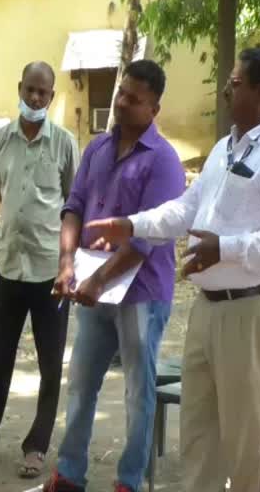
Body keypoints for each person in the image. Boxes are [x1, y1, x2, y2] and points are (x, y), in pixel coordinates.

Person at [84, 48, 260, 492]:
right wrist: (132, 224)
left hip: (253, 310)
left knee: (247, 441)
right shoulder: (226, 148)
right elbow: (185, 210)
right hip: (208, 310)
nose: (227, 88)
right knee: (199, 435)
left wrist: (225, 249)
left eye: (236, 82)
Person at [42, 59, 186, 492]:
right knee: (81, 384)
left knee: (137, 395)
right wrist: (67, 263)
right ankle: (69, 474)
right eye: (121, 93)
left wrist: (97, 281)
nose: (121, 104)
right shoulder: (96, 150)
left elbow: (143, 242)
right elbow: (74, 206)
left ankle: (129, 481)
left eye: (134, 99)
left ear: (154, 109)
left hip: (140, 293)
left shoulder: (163, 162)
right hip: (92, 288)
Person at [0, 61, 78, 479]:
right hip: (9, 266)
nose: (35, 98)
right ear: (19, 88)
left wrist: (67, 262)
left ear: (51, 96)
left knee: (50, 364)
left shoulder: (64, 144)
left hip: (50, 273)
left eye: (43, 93)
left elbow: (71, 204)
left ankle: (36, 446)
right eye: (29, 90)